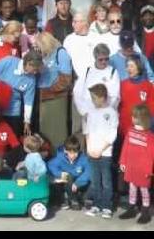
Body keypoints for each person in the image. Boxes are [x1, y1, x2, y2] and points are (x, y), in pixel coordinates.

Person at [76, 83, 117, 219]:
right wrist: (89, 148)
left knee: (106, 181)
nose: (93, 101)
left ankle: (107, 206)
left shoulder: (111, 113)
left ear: (102, 97)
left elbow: (112, 134)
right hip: (92, 152)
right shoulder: (91, 112)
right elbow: (87, 130)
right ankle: (96, 205)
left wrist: (100, 149)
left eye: (94, 98)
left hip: (104, 153)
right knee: (95, 181)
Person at [0, 50, 42, 138]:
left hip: (13, 109)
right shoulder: (9, 61)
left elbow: (28, 102)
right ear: (28, 63)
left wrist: (27, 122)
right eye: (34, 70)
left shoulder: (31, 80)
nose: (35, 73)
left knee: (12, 135)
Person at [34, 32, 73, 149]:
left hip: (56, 99)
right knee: (44, 131)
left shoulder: (60, 53)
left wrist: (49, 91)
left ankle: (58, 154)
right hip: (42, 98)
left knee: (56, 132)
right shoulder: (44, 55)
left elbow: (65, 80)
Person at [117, 104, 154, 223]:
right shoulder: (130, 131)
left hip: (142, 170)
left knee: (144, 191)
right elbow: (125, 147)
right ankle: (131, 209)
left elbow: (151, 156)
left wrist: (148, 171)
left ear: (143, 118)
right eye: (133, 116)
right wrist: (123, 161)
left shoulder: (149, 137)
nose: (132, 118)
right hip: (131, 167)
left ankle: (145, 212)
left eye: (135, 116)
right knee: (132, 188)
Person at [73, 44, 121, 120]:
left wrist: (106, 111)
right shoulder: (87, 71)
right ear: (95, 58)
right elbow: (77, 92)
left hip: (106, 115)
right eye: (101, 59)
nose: (104, 62)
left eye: (106, 59)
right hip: (89, 115)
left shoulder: (113, 72)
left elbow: (115, 95)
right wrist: (83, 112)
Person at [48, 135, 91, 210]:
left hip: (78, 181)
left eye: (75, 152)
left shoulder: (83, 158)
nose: (73, 155)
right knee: (68, 176)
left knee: (91, 180)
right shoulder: (60, 157)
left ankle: (85, 199)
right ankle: (72, 200)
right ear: (65, 151)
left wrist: (78, 182)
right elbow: (50, 165)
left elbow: (88, 171)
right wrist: (60, 173)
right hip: (67, 181)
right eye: (70, 153)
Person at [118, 55, 154, 142]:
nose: (128, 69)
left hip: (141, 130)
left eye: (131, 66)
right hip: (125, 129)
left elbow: (152, 108)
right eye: (127, 66)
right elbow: (118, 105)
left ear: (139, 66)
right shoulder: (122, 84)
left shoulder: (148, 86)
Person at [135, 5, 154, 71]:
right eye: (145, 16)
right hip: (141, 67)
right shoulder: (136, 34)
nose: (148, 18)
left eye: (151, 15)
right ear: (141, 18)